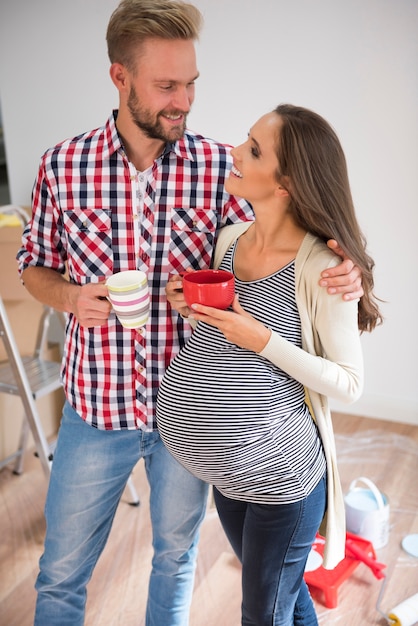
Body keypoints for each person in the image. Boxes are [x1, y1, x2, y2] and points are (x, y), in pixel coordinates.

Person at [16, 0, 363, 622]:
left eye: (192, 82)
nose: (185, 100)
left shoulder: (217, 168)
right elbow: (33, 266)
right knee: (60, 572)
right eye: (167, 85)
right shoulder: (61, 166)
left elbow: (284, 239)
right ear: (120, 77)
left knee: (175, 559)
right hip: (98, 409)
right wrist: (70, 297)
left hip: (190, 423)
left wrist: (349, 268)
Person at [157, 103, 383, 625]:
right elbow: (222, 346)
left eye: (254, 150)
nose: (234, 152)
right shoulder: (230, 241)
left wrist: (265, 341)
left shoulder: (325, 267)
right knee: (286, 598)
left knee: (262, 613)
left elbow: (349, 384)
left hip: (284, 484)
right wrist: (190, 304)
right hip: (228, 475)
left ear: (285, 185)